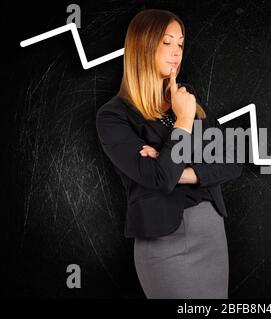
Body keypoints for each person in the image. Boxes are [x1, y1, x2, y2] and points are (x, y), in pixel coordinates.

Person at [95, 9, 242, 299]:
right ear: (143, 46)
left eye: (180, 44)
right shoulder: (114, 116)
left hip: (211, 229)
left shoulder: (186, 98)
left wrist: (176, 169)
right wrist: (184, 122)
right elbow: (162, 178)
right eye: (167, 42)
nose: (176, 52)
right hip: (162, 239)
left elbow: (231, 162)